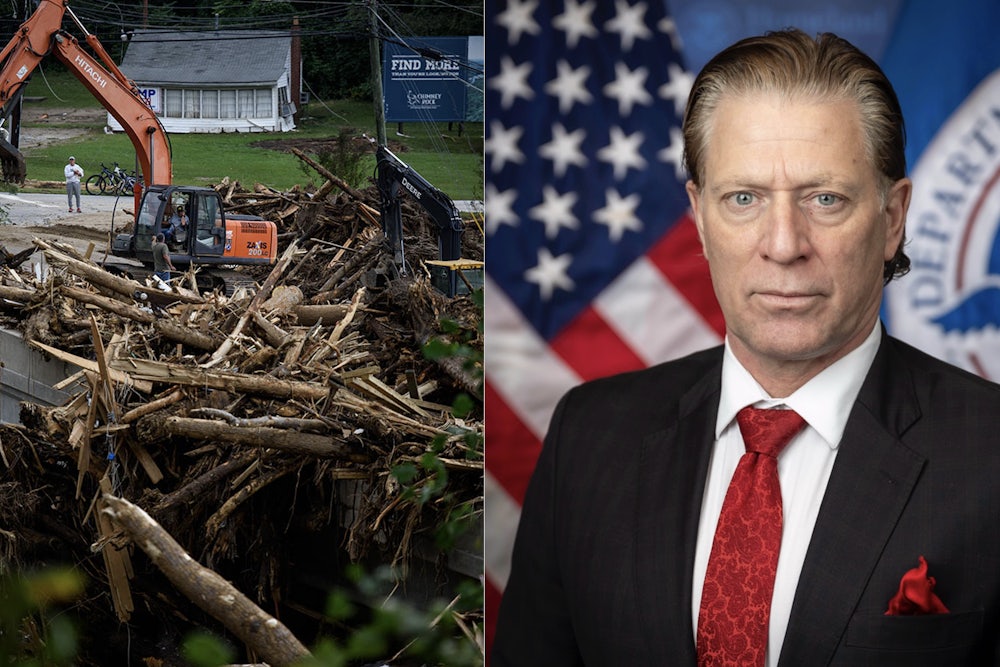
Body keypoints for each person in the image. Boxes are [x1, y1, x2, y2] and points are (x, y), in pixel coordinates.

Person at [492, 28, 1000, 665]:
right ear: (701, 218)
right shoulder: (588, 436)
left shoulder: (989, 454)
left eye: (825, 199)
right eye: (744, 199)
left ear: (892, 218)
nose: (783, 245)